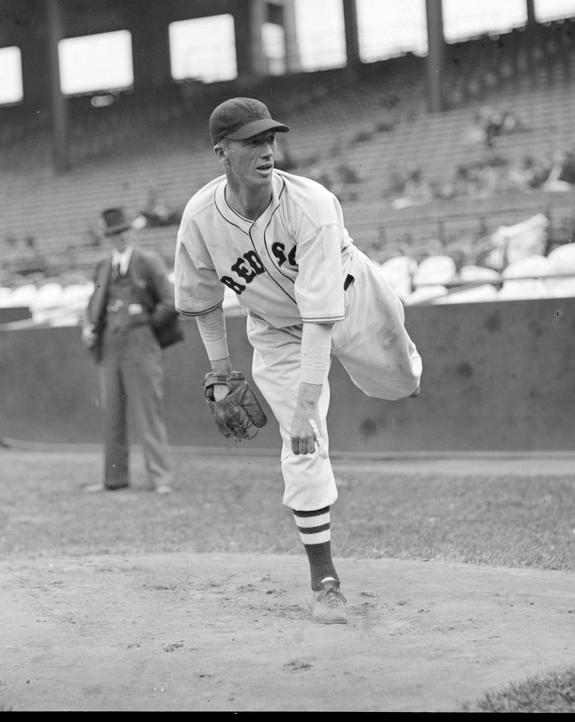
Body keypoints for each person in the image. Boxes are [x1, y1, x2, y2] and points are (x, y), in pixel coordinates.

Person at [173, 97, 423, 625]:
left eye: (270, 138)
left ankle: (398, 369)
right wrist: (222, 373)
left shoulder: (312, 204)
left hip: (351, 300)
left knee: (399, 381)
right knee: (302, 443)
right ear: (222, 152)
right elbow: (203, 301)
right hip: (276, 332)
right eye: (252, 141)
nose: (267, 149)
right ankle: (325, 581)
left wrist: (309, 398)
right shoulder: (199, 217)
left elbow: (322, 315)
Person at [81, 207, 182, 495]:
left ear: (132, 232)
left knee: (148, 413)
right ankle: (114, 479)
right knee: (112, 414)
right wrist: (90, 326)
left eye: (123, 231)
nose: (119, 237)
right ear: (107, 237)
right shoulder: (102, 267)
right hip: (110, 347)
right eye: (113, 234)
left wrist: (147, 325)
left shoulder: (148, 261)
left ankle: (160, 478)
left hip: (141, 344)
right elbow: (93, 304)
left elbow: (169, 301)